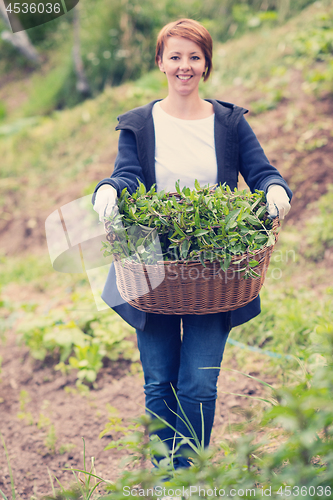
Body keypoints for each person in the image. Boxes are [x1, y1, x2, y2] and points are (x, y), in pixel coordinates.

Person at [92, 19, 292, 470]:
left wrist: (276, 190)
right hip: (150, 268)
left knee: (199, 385)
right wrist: (108, 191)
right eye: (176, 56)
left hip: (213, 269)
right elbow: (127, 176)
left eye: (194, 57)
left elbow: (261, 173)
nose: (185, 66)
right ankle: (166, 478)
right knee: (160, 382)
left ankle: (190, 476)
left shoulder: (229, 122)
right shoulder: (139, 124)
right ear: (160, 61)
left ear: (206, 64)